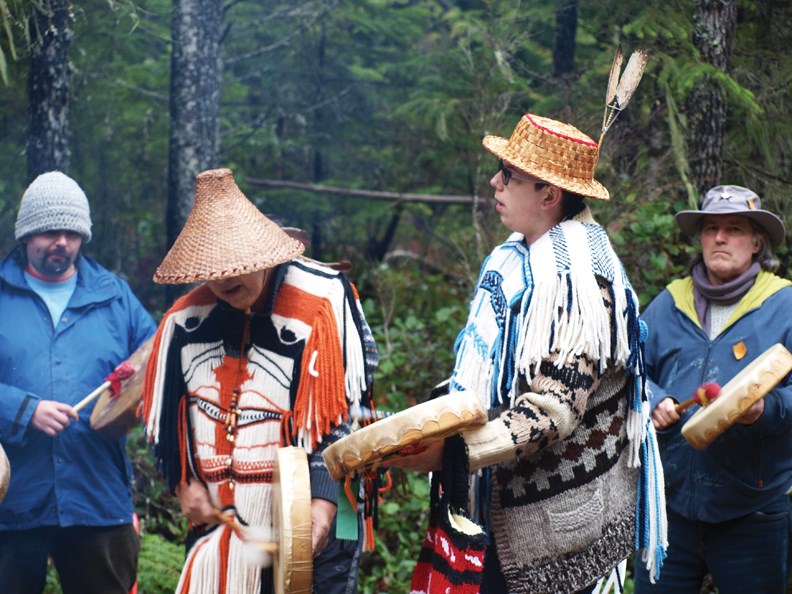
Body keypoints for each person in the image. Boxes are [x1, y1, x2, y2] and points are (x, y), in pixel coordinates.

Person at [391, 113, 667, 593]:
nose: (495, 182)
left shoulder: (584, 282)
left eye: (509, 175)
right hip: (501, 507)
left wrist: (451, 452)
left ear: (549, 195)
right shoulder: (515, 260)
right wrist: (415, 426)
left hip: (562, 530)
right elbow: (494, 376)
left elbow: (553, 409)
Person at [141, 168, 378, 594]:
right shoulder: (184, 321)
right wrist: (185, 483)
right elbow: (170, 424)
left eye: (236, 266)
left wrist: (324, 500)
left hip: (315, 517)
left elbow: (348, 409)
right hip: (223, 531)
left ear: (265, 254)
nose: (225, 279)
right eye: (212, 269)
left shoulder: (323, 303)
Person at [0, 171, 157, 594]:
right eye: (51, 231)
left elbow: (155, 365)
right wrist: (22, 408)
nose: (62, 243)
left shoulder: (115, 296)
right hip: (10, 502)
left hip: (97, 494)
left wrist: (134, 404)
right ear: (26, 234)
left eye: (72, 232)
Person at [633, 185, 792, 594]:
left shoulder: (784, 305)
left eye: (734, 228)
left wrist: (766, 409)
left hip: (752, 512)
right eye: (711, 228)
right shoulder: (669, 303)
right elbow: (630, 372)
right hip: (670, 511)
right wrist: (655, 400)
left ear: (757, 242)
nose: (720, 238)